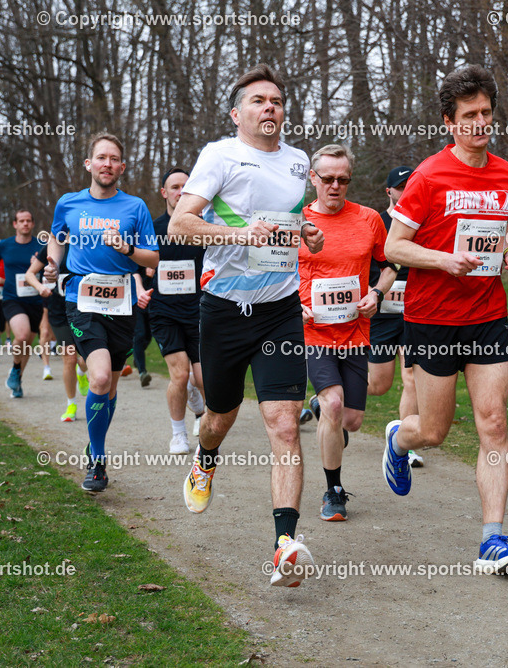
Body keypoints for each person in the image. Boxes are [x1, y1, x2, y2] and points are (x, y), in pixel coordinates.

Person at [168, 64, 325, 587]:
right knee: (219, 416)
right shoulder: (219, 155)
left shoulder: (299, 161)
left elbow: (294, 219)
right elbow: (181, 224)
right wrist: (238, 235)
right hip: (223, 310)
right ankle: (205, 457)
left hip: (280, 310)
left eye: (277, 100)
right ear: (238, 113)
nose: (270, 107)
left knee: (283, 425)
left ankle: (285, 543)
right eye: (258, 100)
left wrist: (307, 234)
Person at [384, 65, 508, 575]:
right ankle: (399, 439)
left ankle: (493, 539)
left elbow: (501, 227)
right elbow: (393, 245)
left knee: (494, 422)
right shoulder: (428, 176)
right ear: (449, 121)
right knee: (435, 432)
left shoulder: (507, 174)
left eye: (486, 112)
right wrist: (443, 260)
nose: (480, 122)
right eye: (469, 115)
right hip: (434, 318)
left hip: (487, 313)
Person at [45, 132, 159, 492]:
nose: (107, 164)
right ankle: (97, 461)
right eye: (101, 158)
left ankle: (95, 445)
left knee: (108, 386)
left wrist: (127, 248)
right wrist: (52, 264)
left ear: (121, 167)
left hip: (121, 302)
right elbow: (56, 237)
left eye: (114, 159)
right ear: (88, 164)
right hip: (81, 298)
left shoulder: (135, 207)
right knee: (98, 379)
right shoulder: (69, 203)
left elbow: (152, 258)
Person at [297, 144, 392, 522]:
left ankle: (323, 413)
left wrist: (377, 292)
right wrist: (293, 306)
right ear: (313, 178)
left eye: (343, 180)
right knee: (334, 404)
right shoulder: (297, 221)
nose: (335, 186)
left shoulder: (369, 219)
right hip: (313, 332)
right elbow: (273, 273)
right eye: (328, 179)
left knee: (349, 420)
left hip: (356, 332)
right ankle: (333, 491)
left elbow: (389, 266)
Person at [138, 167, 206, 455]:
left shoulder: (205, 228)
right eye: (175, 187)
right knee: (179, 374)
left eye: (185, 187)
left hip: (200, 312)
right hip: (164, 312)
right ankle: (178, 435)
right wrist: (140, 287)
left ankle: (199, 407)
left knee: (202, 379)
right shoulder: (153, 229)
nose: (180, 192)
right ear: (165, 192)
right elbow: (133, 264)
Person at [365, 166, 424, 468]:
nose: (406, 190)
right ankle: (330, 393)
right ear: (389, 191)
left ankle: (405, 442)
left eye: (410, 184)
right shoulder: (378, 222)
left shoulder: (423, 221)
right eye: (400, 186)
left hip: (415, 310)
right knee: (379, 384)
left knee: (411, 377)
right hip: (383, 312)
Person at [26, 242, 90, 422]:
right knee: (69, 358)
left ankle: (82, 372)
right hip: (59, 310)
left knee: (88, 356)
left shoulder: (88, 242)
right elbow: (30, 274)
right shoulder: (53, 246)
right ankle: (71, 404)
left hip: (85, 307)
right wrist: (40, 288)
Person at [0, 211, 44, 398]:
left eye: (28, 220)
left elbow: (52, 268)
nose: (25, 224)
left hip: (35, 300)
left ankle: (16, 377)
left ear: (33, 224)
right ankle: (15, 371)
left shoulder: (40, 245)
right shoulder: (5, 245)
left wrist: (41, 266)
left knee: (27, 345)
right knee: (21, 334)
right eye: (22, 221)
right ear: (15, 224)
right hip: (12, 298)